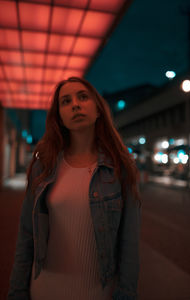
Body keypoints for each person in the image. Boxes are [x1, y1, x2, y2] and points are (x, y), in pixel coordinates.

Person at [7, 77, 141, 300]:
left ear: (98, 109)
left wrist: (126, 292)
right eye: (65, 101)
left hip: (100, 292)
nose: (75, 105)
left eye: (83, 97)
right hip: (44, 288)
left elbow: (130, 241)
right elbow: (26, 234)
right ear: (59, 117)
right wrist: (17, 291)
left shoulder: (120, 168)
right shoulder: (44, 166)